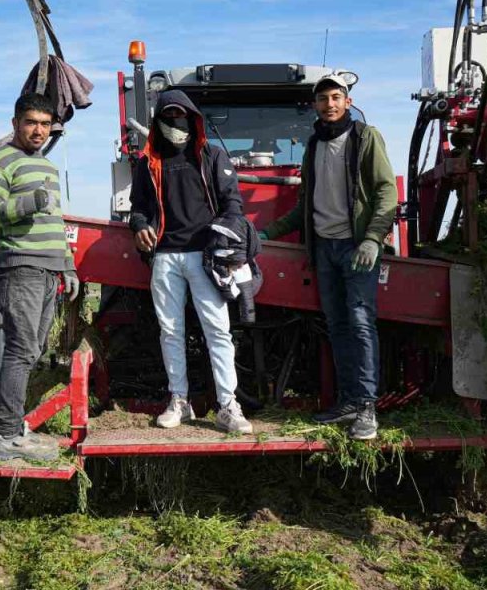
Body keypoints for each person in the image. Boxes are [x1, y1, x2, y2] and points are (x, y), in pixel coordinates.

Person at [260, 74, 398, 440]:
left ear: (348, 102)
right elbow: (304, 206)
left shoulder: (366, 138)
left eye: (336, 97)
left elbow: (386, 191)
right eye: (323, 99)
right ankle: (348, 401)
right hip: (324, 249)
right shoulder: (313, 145)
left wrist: (373, 239)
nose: (329, 104)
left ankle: (367, 408)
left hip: (357, 249)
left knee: (360, 322)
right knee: (337, 325)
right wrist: (265, 234)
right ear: (315, 106)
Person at [130, 90, 253, 435]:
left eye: (180, 115)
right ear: (157, 120)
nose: (175, 122)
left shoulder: (211, 155)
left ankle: (228, 406)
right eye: (168, 116)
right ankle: (179, 401)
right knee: (170, 331)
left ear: (192, 117)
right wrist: (139, 226)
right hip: (164, 256)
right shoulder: (147, 162)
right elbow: (138, 208)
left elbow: (233, 204)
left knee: (218, 331)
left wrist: (224, 238)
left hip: (205, 256)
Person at [0, 92, 80, 461]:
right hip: (21, 268)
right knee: (20, 350)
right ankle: (6, 437)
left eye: (45, 124)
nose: (38, 131)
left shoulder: (45, 166)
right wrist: (26, 203)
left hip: (48, 269)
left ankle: (13, 428)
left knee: (33, 350)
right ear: (15, 123)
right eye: (31, 122)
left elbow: (55, 220)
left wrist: (67, 263)